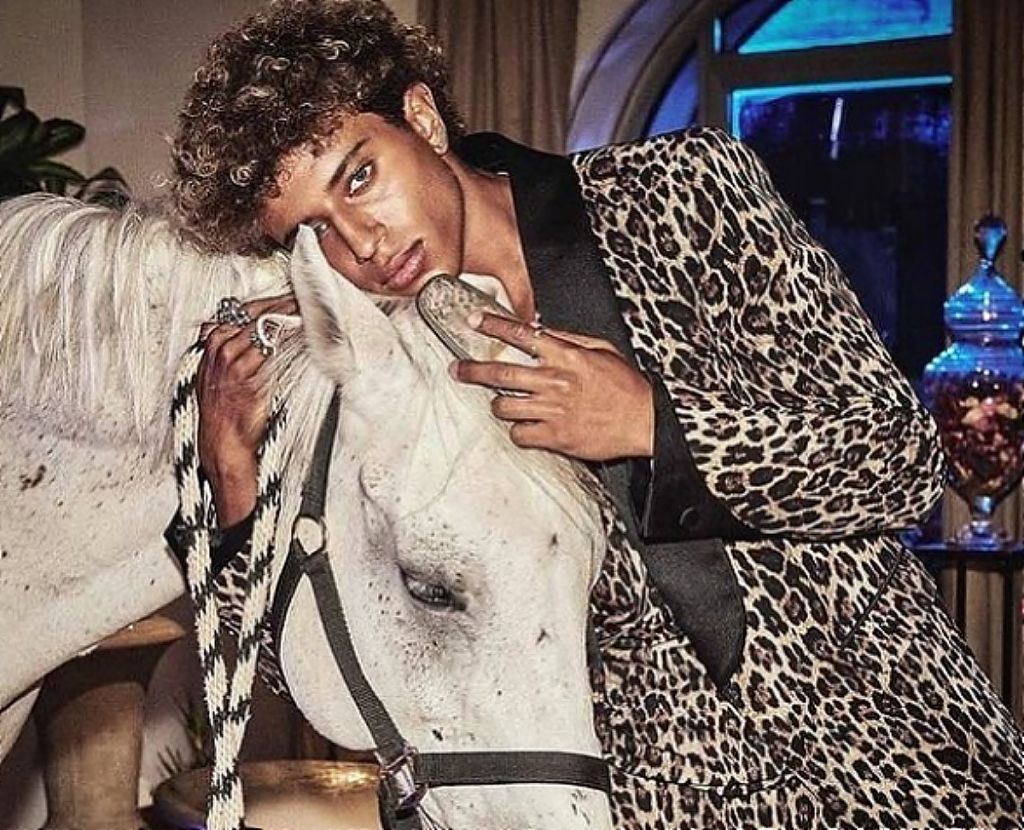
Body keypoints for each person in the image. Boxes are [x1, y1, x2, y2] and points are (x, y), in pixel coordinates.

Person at [167, 1, 1024, 827]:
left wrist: (654, 426)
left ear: (422, 120)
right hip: (643, 808)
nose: (362, 244)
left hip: (895, 759)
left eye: (360, 178)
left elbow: (904, 459)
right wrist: (232, 485)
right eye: (315, 232)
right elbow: (344, 664)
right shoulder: (393, 373)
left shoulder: (683, 193)